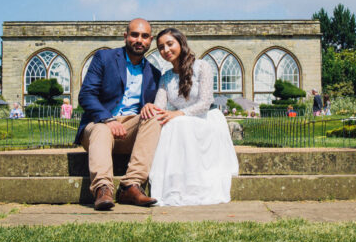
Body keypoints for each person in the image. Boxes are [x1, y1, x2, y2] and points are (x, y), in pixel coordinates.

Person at [142, 28, 239, 206]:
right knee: (171, 123)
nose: (165, 50)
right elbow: (160, 107)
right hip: (180, 122)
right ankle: (175, 184)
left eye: (170, 44)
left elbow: (205, 102)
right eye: (161, 47)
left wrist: (179, 113)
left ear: (181, 43)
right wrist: (150, 107)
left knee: (177, 123)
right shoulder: (166, 77)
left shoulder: (202, 66)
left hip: (204, 119)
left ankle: (192, 185)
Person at [75, 18, 163, 211]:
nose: (139, 40)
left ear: (150, 40)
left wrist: (150, 107)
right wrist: (108, 119)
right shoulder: (104, 58)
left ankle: (131, 186)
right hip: (99, 126)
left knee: (154, 115)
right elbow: (86, 94)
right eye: (134, 35)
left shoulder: (155, 74)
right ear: (125, 36)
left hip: (130, 130)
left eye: (144, 36)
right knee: (101, 129)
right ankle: (102, 188)